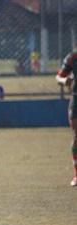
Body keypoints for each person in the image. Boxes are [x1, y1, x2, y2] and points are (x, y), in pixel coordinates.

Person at [56, 45, 77, 187]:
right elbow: (59, 77)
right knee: (76, 136)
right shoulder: (73, 57)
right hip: (76, 99)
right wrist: (64, 81)